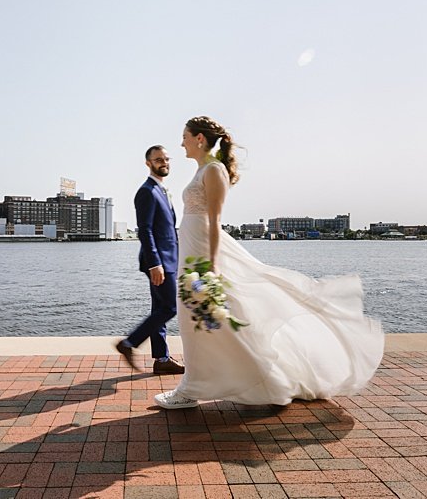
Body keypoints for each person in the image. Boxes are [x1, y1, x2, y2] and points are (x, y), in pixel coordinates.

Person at [153, 116, 384, 409]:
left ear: (199, 139)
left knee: (200, 320)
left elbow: (215, 221)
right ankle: (208, 384)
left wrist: (211, 265)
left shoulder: (214, 171)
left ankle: (192, 389)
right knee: (202, 322)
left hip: (202, 255)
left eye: (184, 136)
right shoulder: (202, 170)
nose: (180, 142)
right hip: (191, 251)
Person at [115, 145, 185, 375]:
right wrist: (155, 264)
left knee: (159, 308)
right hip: (159, 261)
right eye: (158, 159)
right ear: (148, 163)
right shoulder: (146, 191)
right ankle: (129, 343)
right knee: (169, 308)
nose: (164, 162)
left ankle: (162, 359)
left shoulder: (162, 190)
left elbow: (168, 229)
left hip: (169, 259)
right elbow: (144, 230)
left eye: (166, 159)